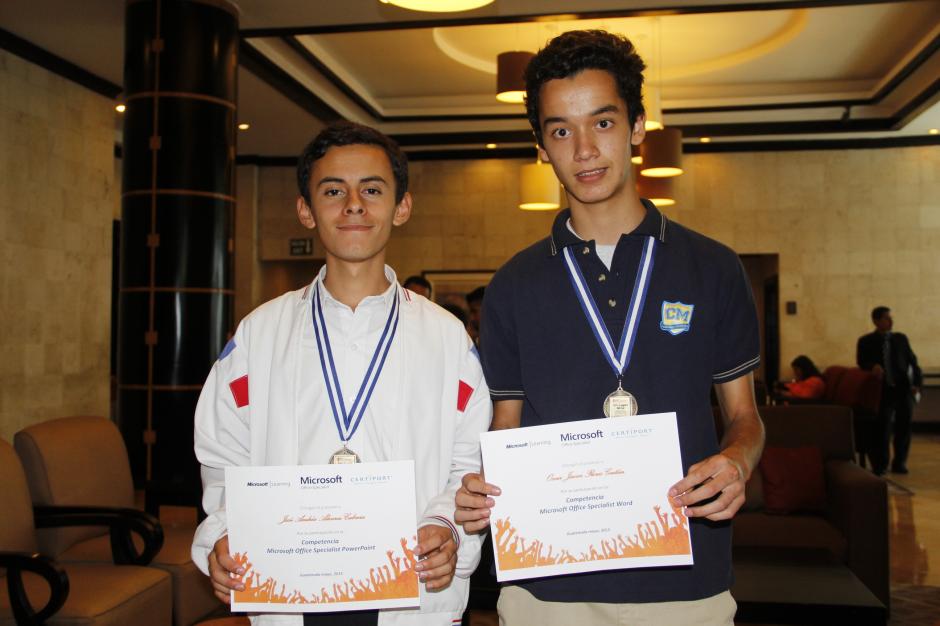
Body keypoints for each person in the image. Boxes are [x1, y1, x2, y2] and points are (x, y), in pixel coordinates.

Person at [454, 30, 764, 625]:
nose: (584, 150)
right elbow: (504, 426)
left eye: (602, 122)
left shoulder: (714, 267)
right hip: (547, 585)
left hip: (686, 578)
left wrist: (737, 462)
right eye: (560, 131)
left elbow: (745, 417)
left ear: (637, 126)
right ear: (541, 147)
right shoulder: (513, 284)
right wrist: (479, 484)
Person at [191, 121, 492, 626]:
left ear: (402, 207)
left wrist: (447, 527)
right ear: (306, 210)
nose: (354, 205)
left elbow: (469, 461)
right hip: (288, 588)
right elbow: (223, 458)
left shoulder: (448, 339)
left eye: (372, 190)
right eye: (333, 191)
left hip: (409, 589)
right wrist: (224, 532)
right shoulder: (259, 335)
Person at [857, 306, 921, 475]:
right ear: (876, 321)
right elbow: (861, 362)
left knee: (904, 428)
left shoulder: (901, 339)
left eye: (891, 317)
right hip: (883, 391)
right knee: (882, 428)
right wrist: (872, 366)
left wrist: (917, 383)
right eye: (886, 318)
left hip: (903, 390)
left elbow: (913, 362)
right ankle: (881, 464)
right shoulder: (865, 341)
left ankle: (900, 462)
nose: (891, 321)